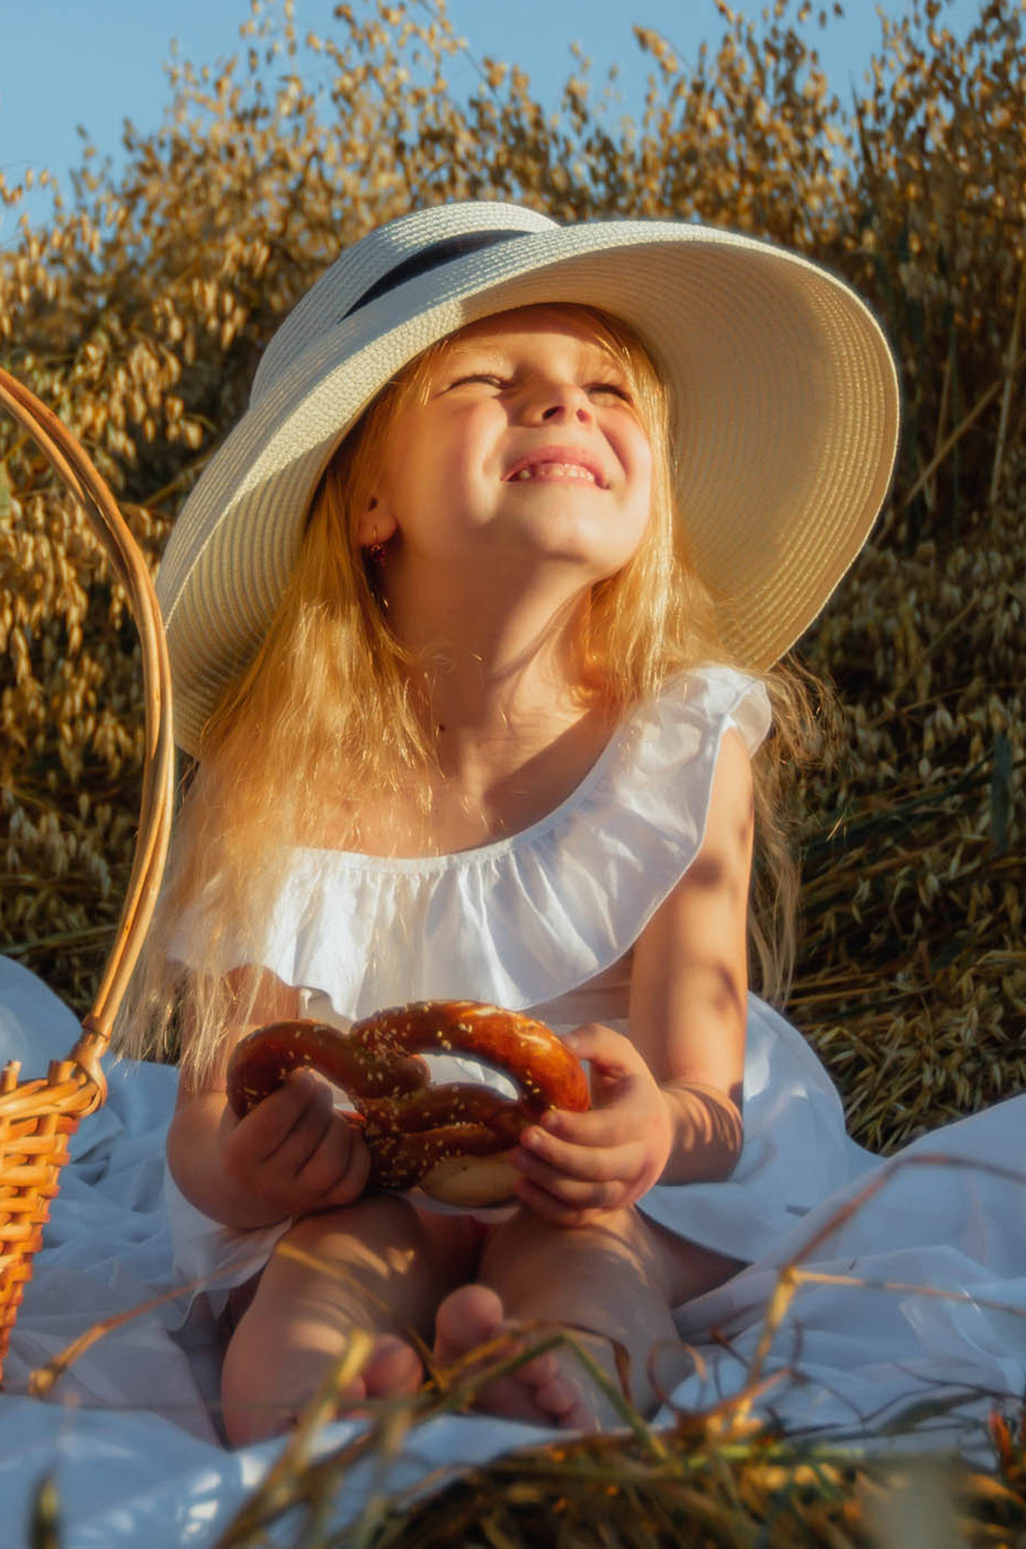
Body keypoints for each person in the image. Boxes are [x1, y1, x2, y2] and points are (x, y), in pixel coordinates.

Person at [135, 201, 900, 1444]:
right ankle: (332, 1417)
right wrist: (249, 1167)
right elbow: (212, 1108)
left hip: (592, 1180)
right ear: (368, 499)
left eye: (608, 387)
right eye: (491, 380)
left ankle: (545, 1384)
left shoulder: (677, 749)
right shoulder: (277, 784)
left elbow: (705, 1099)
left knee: (589, 1267)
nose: (563, 404)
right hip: (363, 1188)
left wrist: (643, 1132)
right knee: (313, 1286)